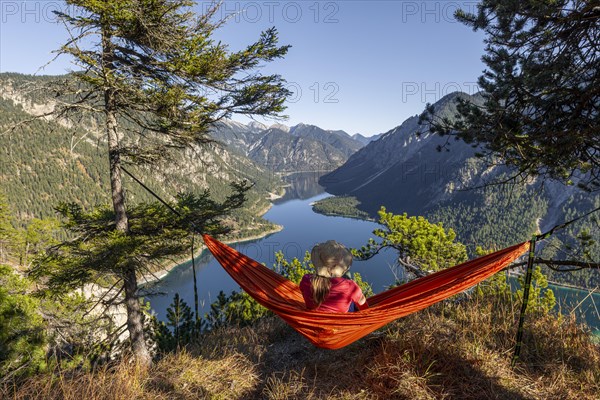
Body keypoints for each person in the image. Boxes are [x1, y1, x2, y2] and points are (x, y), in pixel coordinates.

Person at [300, 240, 368, 312]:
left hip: (314, 319)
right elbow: (363, 306)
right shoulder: (350, 286)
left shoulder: (306, 280)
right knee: (350, 294)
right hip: (341, 320)